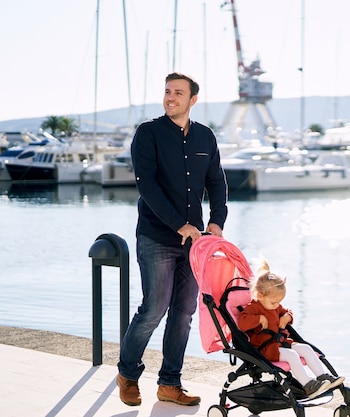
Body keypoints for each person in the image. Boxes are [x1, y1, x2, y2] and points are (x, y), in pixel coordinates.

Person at [116, 72, 228, 407]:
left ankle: (169, 383)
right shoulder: (148, 134)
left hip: (195, 244)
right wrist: (179, 224)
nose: (170, 97)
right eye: (167, 91)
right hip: (156, 236)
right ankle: (128, 373)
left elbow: (217, 182)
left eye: (178, 93)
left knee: (183, 313)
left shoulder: (205, 137)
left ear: (193, 99)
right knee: (154, 308)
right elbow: (146, 185)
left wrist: (216, 223)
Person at [238, 260, 345, 399]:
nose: (277, 305)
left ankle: (322, 376)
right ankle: (308, 385)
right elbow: (242, 322)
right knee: (292, 355)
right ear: (260, 296)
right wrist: (259, 319)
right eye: (273, 302)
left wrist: (287, 317)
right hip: (266, 349)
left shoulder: (275, 306)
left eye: (279, 302)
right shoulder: (254, 308)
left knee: (306, 348)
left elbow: (288, 311)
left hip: (280, 343)